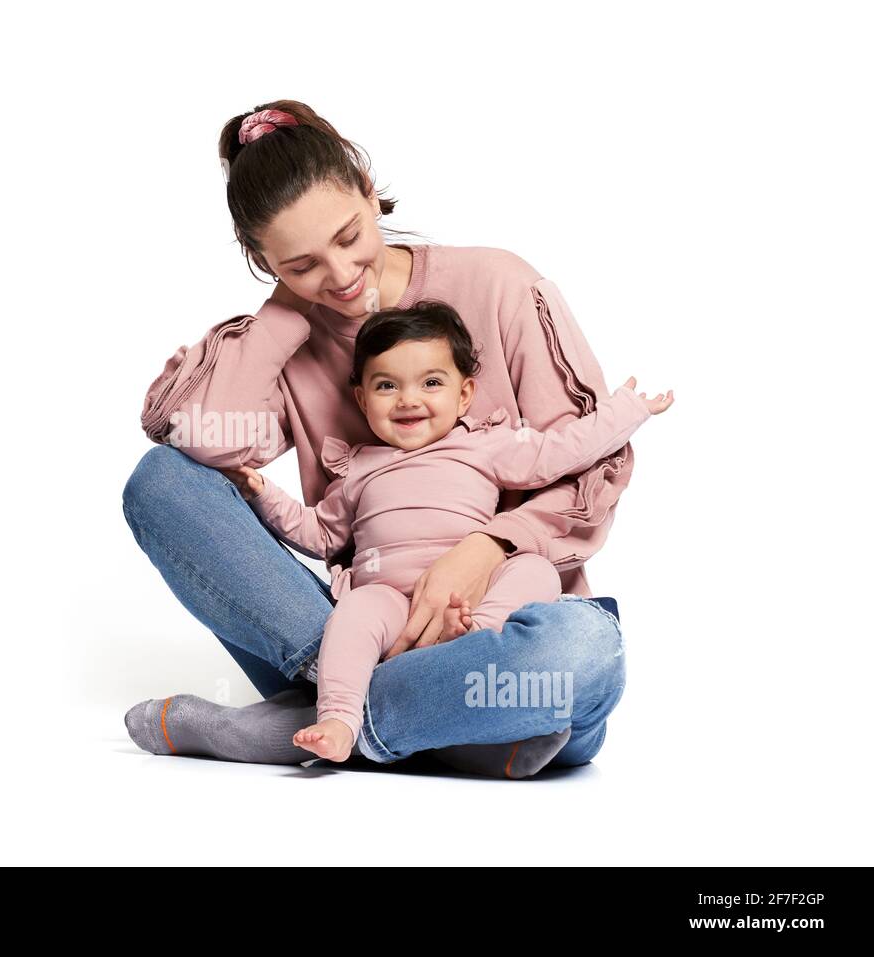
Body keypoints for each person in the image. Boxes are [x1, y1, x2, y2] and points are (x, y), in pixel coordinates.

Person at [121, 100, 641, 777]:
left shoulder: (501, 285)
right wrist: (283, 311)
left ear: (368, 187)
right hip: (358, 626)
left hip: (498, 643)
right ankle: (412, 720)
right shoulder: (293, 338)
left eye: (348, 235)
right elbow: (202, 443)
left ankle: (309, 723)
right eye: (300, 263)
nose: (339, 276)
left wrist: (487, 546)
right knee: (160, 483)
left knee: (583, 653)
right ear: (262, 258)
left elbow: (587, 461)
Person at [222, 299, 673, 761]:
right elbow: (320, 534)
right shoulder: (358, 468)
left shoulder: (483, 446)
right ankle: (338, 719)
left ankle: (474, 641)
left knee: (534, 568)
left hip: (472, 599)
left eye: (431, 383)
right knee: (353, 614)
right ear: (361, 398)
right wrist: (262, 493)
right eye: (386, 386)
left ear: (463, 395)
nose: (408, 399)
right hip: (391, 602)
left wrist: (627, 412)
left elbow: (559, 452)